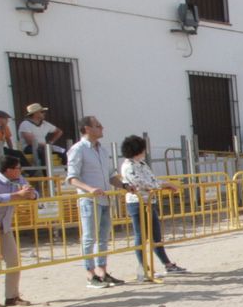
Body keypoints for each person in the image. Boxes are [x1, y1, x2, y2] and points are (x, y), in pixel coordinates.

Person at [64, 116, 124, 289]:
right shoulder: (78, 149)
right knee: (89, 238)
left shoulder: (102, 150)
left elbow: (111, 175)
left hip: (105, 199)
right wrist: (89, 189)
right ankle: (90, 275)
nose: (102, 128)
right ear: (87, 129)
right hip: (89, 200)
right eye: (98, 126)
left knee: (104, 237)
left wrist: (124, 185)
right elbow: (72, 178)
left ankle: (103, 271)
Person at [119, 136, 189, 281]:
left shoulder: (142, 164)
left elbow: (152, 180)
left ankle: (167, 264)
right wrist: (164, 185)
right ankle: (143, 268)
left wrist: (165, 184)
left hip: (149, 202)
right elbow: (143, 183)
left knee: (156, 235)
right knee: (141, 236)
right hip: (137, 203)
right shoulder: (128, 166)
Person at [0, 155, 38, 307]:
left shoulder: (19, 180)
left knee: (13, 261)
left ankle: (12, 296)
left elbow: (34, 193)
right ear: (9, 170)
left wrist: (31, 194)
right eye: (18, 168)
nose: (20, 171)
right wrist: (16, 196)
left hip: (4, 225)